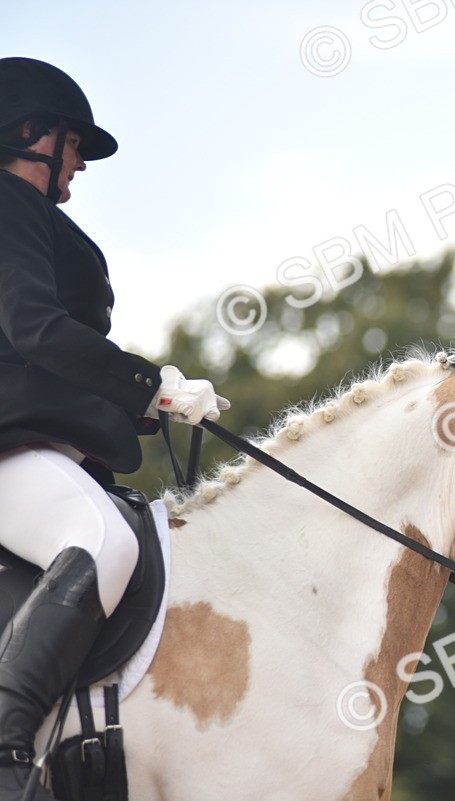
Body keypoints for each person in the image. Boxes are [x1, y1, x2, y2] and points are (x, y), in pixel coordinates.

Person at [0, 57, 228, 799]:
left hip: (41, 443)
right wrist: (149, 380)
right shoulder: (5, 202)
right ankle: (5, 749)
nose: (79, 164)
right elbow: (34, 329)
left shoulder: (31, 217)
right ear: (29, 132)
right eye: (72, 145)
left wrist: (143, 403)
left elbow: (43, 360)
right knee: (103, 541)